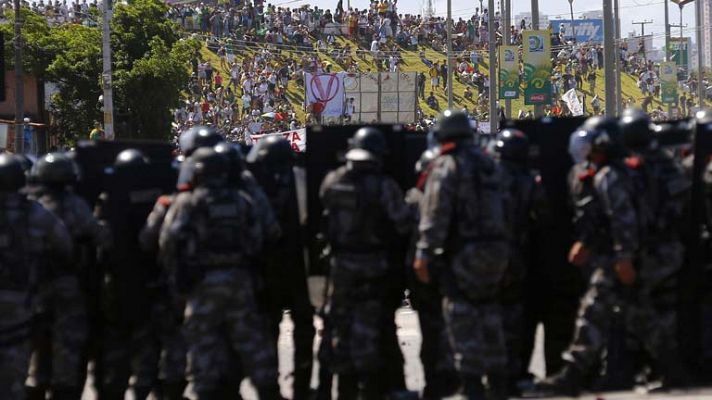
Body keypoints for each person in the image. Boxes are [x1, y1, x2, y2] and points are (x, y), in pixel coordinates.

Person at [535, 116, 688, 396]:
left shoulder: (612, 175)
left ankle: (571, 375)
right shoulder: (617, 172)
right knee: (640, 314)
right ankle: (672, 368)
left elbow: (623, 219)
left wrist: (624, 258)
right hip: (632, 255)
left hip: (623, 258)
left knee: (593, 312)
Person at [159, 147, 281, 400]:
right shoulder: (242, 200)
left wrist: (178, 277)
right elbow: (260, 238)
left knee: (203, 359)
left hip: (201, 286)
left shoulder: (188, 203)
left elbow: (167, 241)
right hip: (240, 284)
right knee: (255, 352)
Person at [414, 110, 509, 400]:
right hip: (496, 250)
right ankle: (498, 381)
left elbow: (436, 212)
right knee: (490, 311)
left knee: (462, 315)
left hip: (464, 252)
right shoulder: (489, 163)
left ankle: (472, 384)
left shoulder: (447, 165)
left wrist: (425, 251)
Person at [319, 127, 411, 399]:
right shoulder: (384, 186)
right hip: (374, 267)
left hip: (340, 268)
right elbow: (403, 224)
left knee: (338, 328)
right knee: (373, 330)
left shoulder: (333, 181)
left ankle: (339, 388)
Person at [26, 152, 107, 400]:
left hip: (30, 290)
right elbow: (101, 238)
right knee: (67, 352)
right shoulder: (76, 205)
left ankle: (36, 383)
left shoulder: (29, 205)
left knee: (34, 351)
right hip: (67, 287)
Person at [246, 137, 315, 400]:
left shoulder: (254, 184)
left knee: (268, 329)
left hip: (268, 266)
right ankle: (301, 385)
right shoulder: (302, 179)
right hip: (299, 266)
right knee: (304, 328)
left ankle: (270, 389)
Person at [0, 154, 73, 399]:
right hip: (22, 308)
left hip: (23, 306)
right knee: (14, 378)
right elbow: (64, 246)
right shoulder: (36, 214)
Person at [404, 147, 460, 400]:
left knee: (431, 332)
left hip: (428, 276)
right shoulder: (452, 197)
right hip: (443, 275)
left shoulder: (415, 199)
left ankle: (436, 382)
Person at [493, 129, 544, 395]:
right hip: (516, 253)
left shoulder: (486, 177)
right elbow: (541, 215)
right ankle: (512, 371)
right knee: (515, 317)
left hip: (487, 255)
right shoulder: (528, 181)